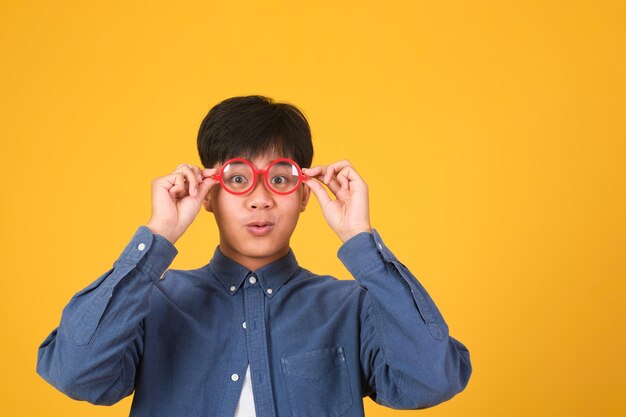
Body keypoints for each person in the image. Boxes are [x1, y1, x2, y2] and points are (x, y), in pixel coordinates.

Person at [36, 95, 472, 417]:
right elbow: (75, 373)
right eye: (238, 178)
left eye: (280, 179)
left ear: (303, 195)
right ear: (208, 193)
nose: (260, 199)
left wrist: (361, 239)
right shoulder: (153, 302)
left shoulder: (350, 307)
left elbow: (432, 381)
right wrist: (156, 237)